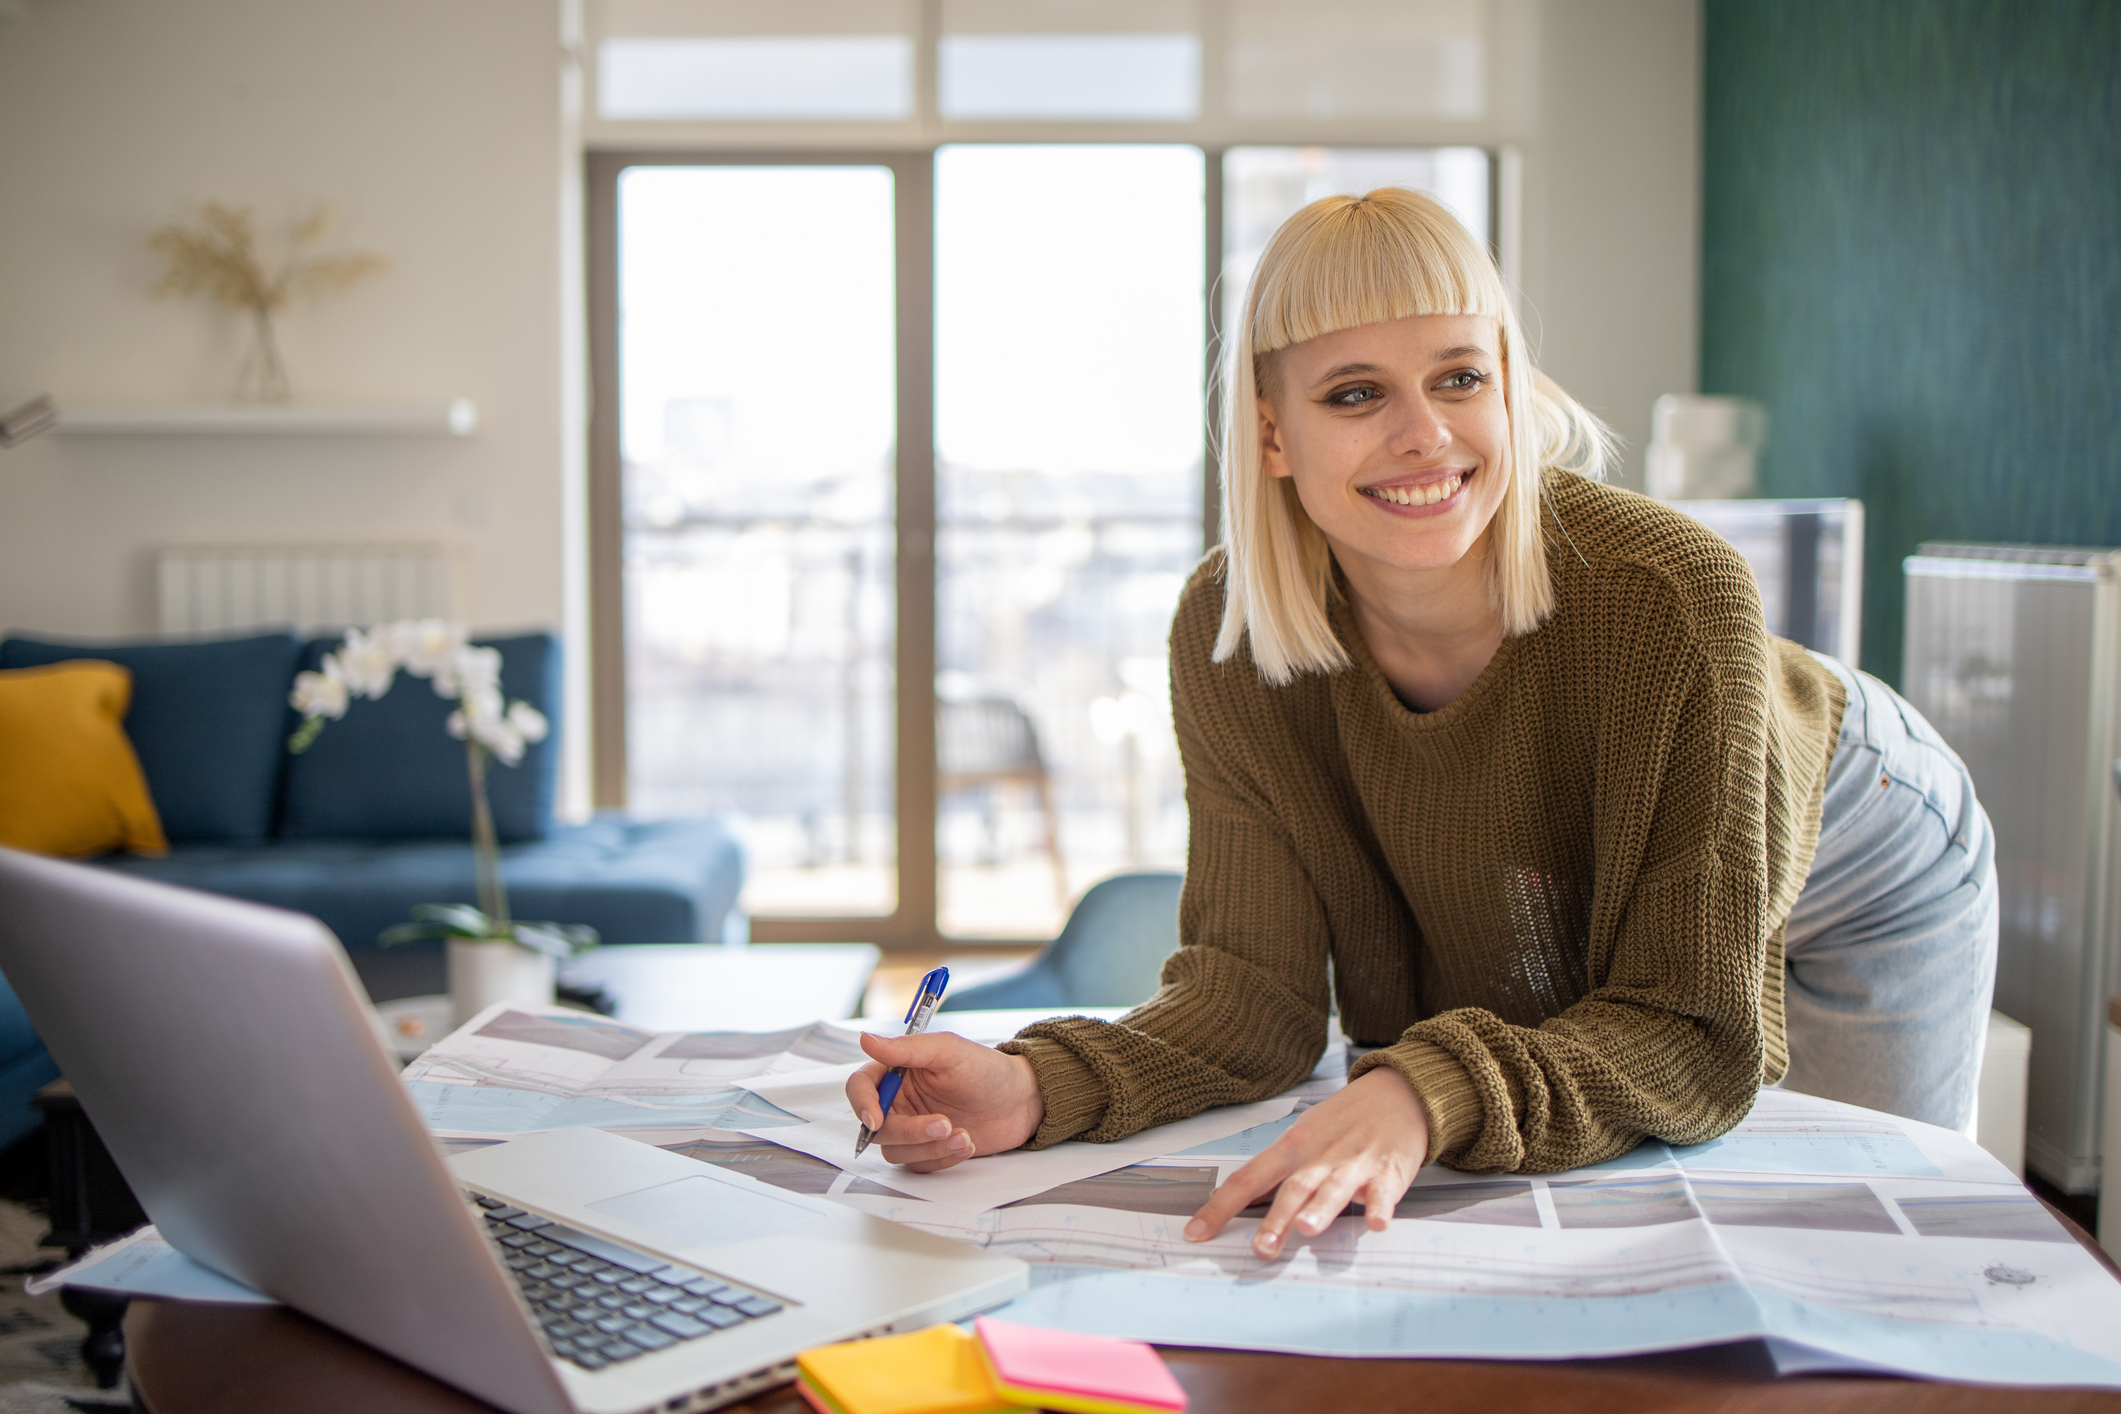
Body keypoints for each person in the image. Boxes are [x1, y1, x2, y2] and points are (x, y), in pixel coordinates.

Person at [846, 187, 1997, 1262]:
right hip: (1635, 879)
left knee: (1842, 1259)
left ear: (1508, 385)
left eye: (1458, 377)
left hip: (1867, 856)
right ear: (1272, 436)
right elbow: (1253, 994)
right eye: (1355, 393)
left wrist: (1419, 1090)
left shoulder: (1671, 596)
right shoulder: (1231, 631)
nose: (1424, 434)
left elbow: (1689, 1028)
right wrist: (1036, 1084)